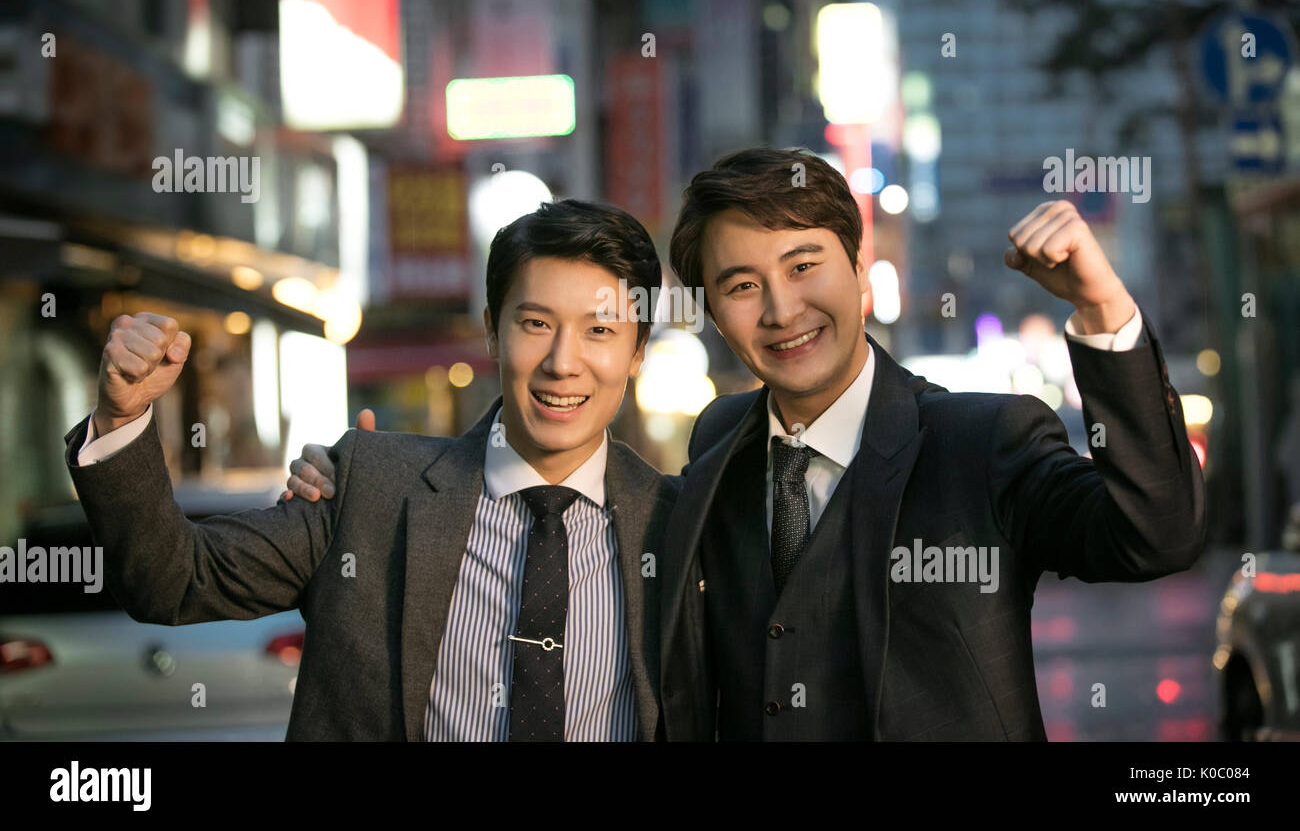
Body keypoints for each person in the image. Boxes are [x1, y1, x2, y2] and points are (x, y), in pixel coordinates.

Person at [290, 147, 1207, 741]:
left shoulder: (982, 441)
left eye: (804, 266)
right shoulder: (717, 447)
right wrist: (370, 484)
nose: (780, 309)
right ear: (714, 312)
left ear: (859, 267)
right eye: (740, 284)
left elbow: (1153, 534)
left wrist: (1103, 314)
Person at [65, 199, 678, 741]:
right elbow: (172, 581)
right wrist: (123, 417)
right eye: (536, 324)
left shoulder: (680, 525)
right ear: (493, 331)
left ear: (637, 351)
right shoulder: (371, 488)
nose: (562, 363)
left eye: (599, 330)